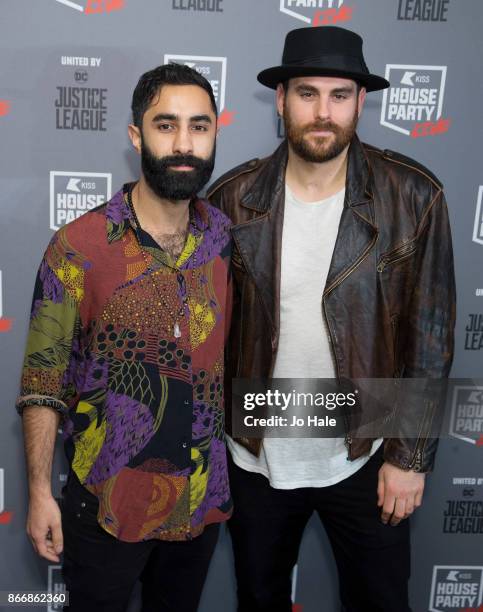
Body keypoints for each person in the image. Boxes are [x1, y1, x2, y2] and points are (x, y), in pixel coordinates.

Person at [207, 26, 455, 612]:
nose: (323, 112)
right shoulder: (231, 200)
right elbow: (208, 337)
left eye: (340, 95)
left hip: (365, 455)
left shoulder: (414, 196)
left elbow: (432, 338)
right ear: (283, 99)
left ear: (361, 102)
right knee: (259, 600)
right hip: (256, 456)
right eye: (307, 94)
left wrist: (408, 458)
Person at [17, 63, 233, 612]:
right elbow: (43, 382)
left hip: (199, 506)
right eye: (166, 125)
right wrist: (40, 492)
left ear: (214, 134)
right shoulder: (78, 246)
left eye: (199, 126)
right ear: (137, 135)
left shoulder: (228, 243)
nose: (184, 142)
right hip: (104, 505)